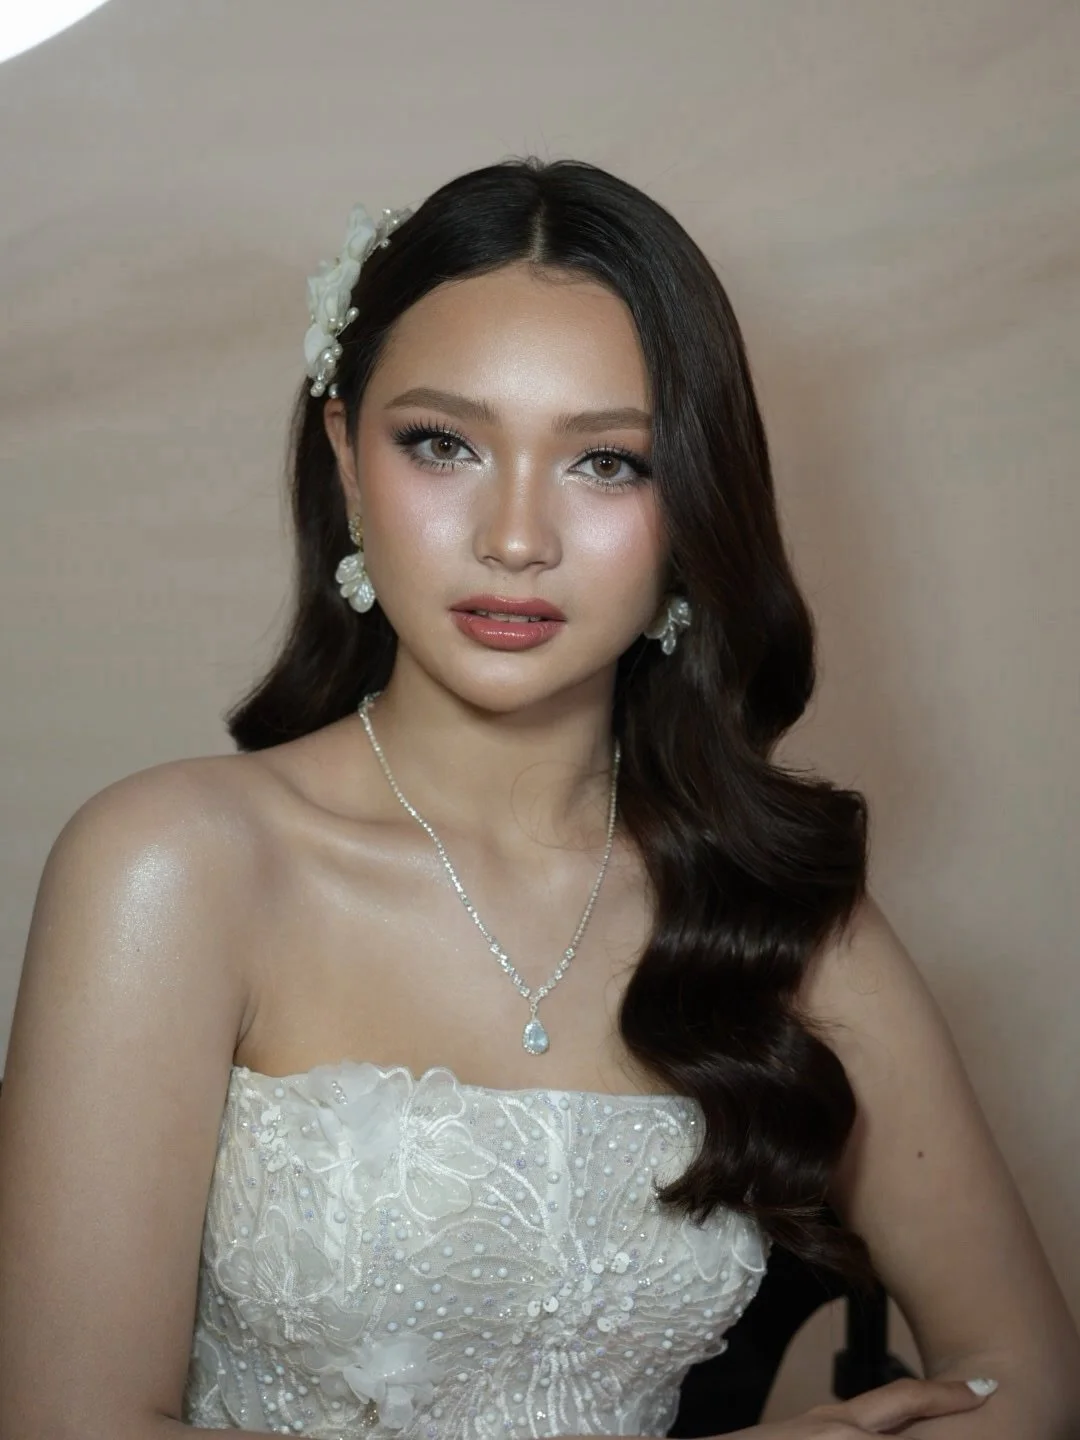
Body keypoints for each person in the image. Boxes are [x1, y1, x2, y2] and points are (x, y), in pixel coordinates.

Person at [0, 157, 1077, 1440]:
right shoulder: (172, 868)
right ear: (347, 458)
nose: (517, 536)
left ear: (695, 504)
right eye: (442, 443)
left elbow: (1031, 1382)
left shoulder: (772, 906)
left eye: (608, 463)